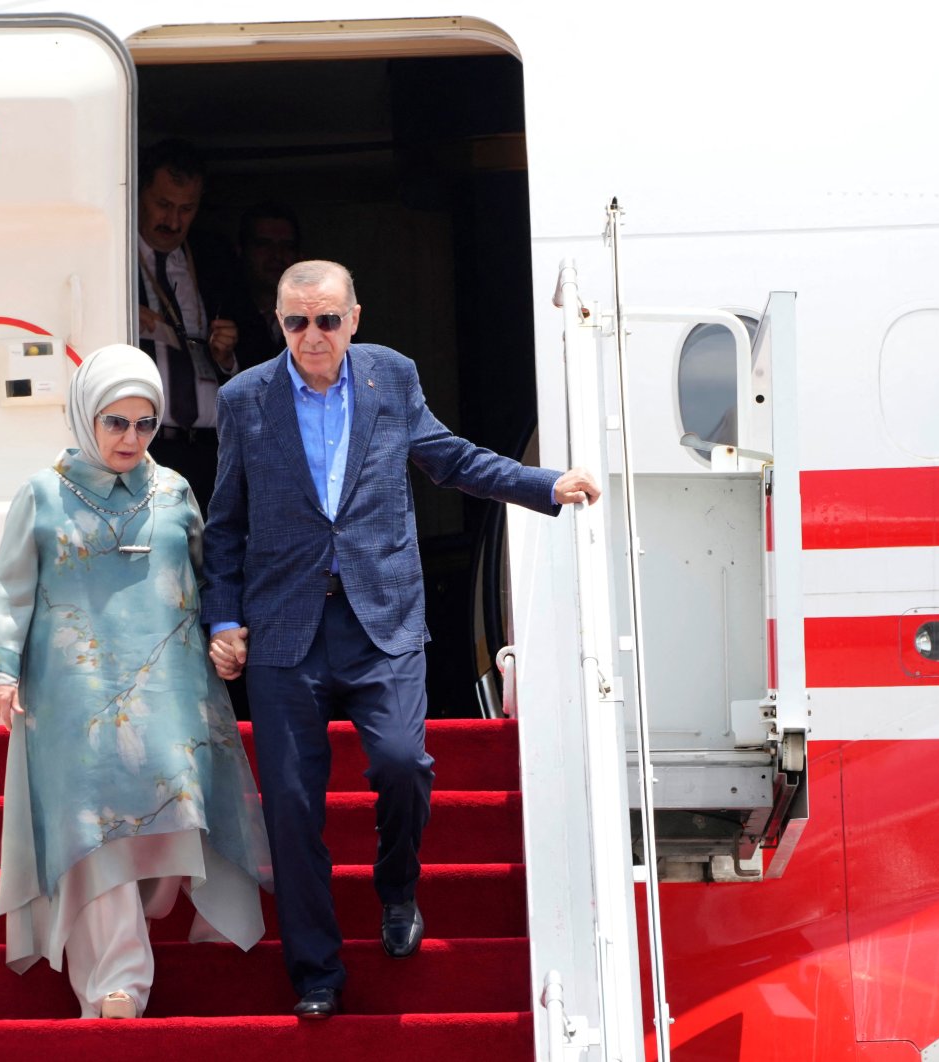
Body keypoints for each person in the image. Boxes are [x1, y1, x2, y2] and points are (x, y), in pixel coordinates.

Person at [201, 260, 600, 1020]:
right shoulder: (245, 397)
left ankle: (397, 887)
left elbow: (448, 458)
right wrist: (223, 620)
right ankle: (316, 973)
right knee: (289, 804)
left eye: (326, 320)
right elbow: (226, 525)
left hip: (381, 617)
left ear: (354, 317)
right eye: (295, 323)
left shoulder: (392, 377)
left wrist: (540, 484)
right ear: (277, 325)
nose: (312, 337)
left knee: (402, 764)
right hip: (286, 630)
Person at [0, 343, 271, 1020]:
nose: (131, 439)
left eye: (145, 424)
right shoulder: (43, 492)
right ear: (87, 418)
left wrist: (227, 632)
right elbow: (9, 588)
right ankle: (117, 980)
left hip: (169, 683)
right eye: (116, 423)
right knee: (95, 825)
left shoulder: (172, 491)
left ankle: (146, 934)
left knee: (169, 811)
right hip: (71, 693)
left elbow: (209, 575)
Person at [135, 138, 264, 512]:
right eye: (162, 204)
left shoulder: (213, 256)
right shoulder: (114, 255)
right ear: (140, 192)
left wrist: (228, 356)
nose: (173, 221)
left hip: (212, 450)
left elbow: (258, 351)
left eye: (186, 208)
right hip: (144, 448)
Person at [235, 201, 302, 364]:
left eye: (287, 246)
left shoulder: (321, 315)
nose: (277, 255)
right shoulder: (221, 312)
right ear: (241, 252)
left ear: (300, 256)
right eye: (264, 245)